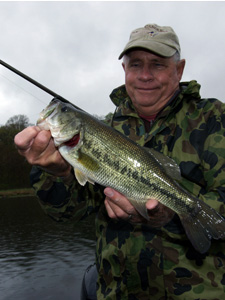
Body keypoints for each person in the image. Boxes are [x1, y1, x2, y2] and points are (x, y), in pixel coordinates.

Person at [14, 24, 225, 299]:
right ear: (124, 69)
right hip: (116, 291)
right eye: (135, 64)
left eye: (157, 65)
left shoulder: (215, 119)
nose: (145, 75)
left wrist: (170, 214)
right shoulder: (104, 127)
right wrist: (56, 172)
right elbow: (66, 213)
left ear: (179, 69)